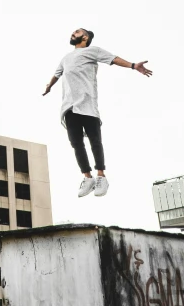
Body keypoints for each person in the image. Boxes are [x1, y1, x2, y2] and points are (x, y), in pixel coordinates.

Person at [43, 28, 152, 198]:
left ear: (85, 37)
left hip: (87, 104)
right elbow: (57, 74)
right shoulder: (65, 58)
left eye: (77, 32)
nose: (73, 33)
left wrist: (132, 66)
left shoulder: (92, 51)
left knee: (95, 141)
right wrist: (49, 86)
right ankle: (87, 178)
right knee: (76, 143)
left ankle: (101, 176)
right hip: (69, 107)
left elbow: (113, 59)